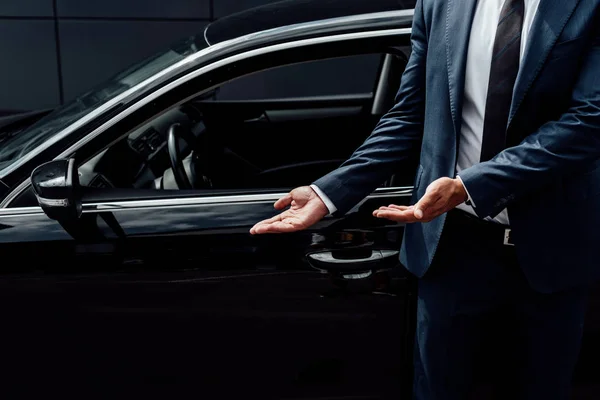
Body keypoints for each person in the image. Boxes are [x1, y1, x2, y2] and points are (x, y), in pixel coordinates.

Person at [251, 0, 600, 398]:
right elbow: (410, 112)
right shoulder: (440, 3)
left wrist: (471, 184)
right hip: (453, 250)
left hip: (553, 252)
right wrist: (328, 191)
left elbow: (590, 119)